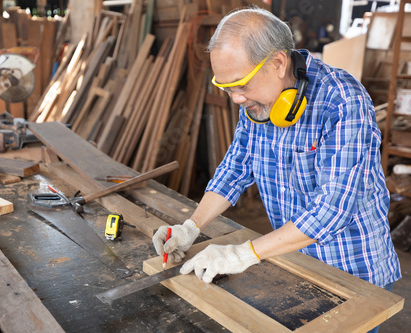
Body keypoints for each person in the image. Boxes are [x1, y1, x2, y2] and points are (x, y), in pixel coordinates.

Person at [152, 7, 401, 325]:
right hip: (294, 261)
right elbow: (236, 168)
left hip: (354, 273)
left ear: (279, 63)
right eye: (227, 88)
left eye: (241, 86)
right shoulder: (257, 101)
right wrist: (191, 227)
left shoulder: (343, 102)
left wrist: (243, 254)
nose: (236, 100)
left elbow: (334, 209)